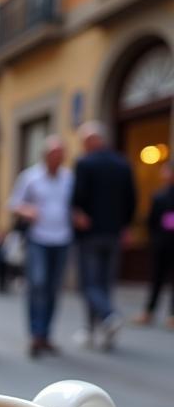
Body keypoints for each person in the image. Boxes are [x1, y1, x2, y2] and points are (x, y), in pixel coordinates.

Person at [71, 121, 137, 350]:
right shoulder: (122, 163)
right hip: (114, 233)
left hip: (90, 233)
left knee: (89, 283)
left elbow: (77, 197)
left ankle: (108, 317)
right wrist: (126, 226)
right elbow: (132, 199)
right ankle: (96, 332)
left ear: (89, 141)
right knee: (104, 284)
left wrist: (78, 214)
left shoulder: (84, 163)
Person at [9, 135, 74, 358]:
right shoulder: (30, 177)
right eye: (54, 154)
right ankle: (36, 334)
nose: (58, 158)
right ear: (45, 156)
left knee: (53, 288)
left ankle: (46, 334)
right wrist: (27, 211)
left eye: (61, 154)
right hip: (38, 238)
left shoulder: (69, 178)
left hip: (62, 238)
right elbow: (14, 204)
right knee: (37, 284)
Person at [132, 162, 174, 329]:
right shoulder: (159, 196)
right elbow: (152, 221)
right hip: (162, 243)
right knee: (156, 278)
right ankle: (149, 311)